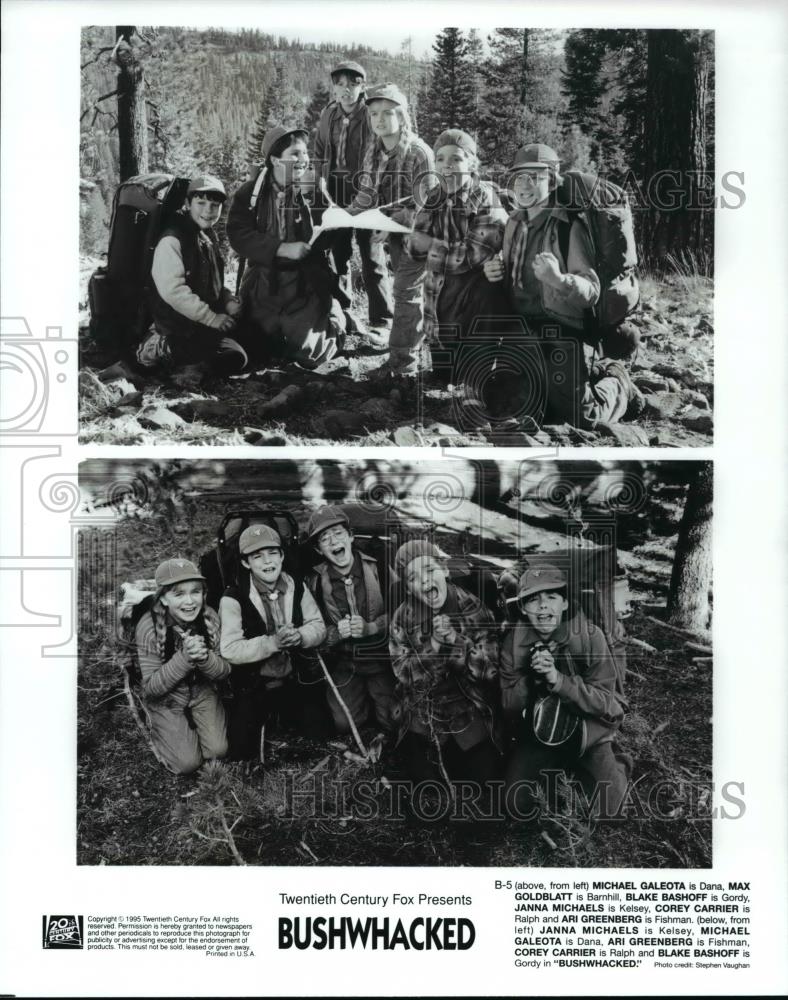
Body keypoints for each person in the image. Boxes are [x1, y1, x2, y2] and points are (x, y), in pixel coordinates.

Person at [484, 143, 642, 428]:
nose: (525, 184)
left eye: (536, 176)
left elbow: (591, 292)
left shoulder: (568, 227)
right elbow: (515, 278)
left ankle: (618, 380)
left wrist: (558, 279)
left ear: (554, 179)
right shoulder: (514, 223)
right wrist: (496, 270)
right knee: (507, 405)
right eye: (520, 177)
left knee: (582, 418)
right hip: (522, 331)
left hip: (561, 330)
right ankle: (571, 376)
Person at [499, 565, 629, 821]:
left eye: (551, 597)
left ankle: (618, 764)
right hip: (540, 735)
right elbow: (507, 703)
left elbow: (604, 701)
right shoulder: (514, 641)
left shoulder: (591, 636)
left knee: (610, 810)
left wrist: (558, 680)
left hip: (588, 735)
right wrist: (532, 679)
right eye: (533, 599)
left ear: (566, 603)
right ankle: (558, 771)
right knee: (516, 805)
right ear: (524, 608)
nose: (543, 606)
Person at [388, 541, 502, 814]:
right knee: (425, 790)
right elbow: (402, 672)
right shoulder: (402, 617)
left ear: (445, 571)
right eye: (414, 578)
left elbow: (490, 670)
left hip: (467, 708)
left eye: (429, 570)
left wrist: (455, 642)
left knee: (485, 779)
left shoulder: (472, 607)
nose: (425, 581)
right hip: (422, 711)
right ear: (407, 588)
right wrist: (434, 647)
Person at [226, 125, 347, 370]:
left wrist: (313, 200)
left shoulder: (314, 188)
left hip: (304, 286)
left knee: (308, 354)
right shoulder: (251, 193)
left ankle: (336, 317)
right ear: (274, 159)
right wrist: (281, 248)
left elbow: (328, 239)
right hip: (264, 283)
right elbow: (238, 234)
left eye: (305, 153)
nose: (303, 160)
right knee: (257, 346)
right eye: (295, 154)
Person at [407, 128, 509, 386]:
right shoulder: (434, 196)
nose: (446, 166)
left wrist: (431, 244)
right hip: (440, 301)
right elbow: (414, 247)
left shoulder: (484, 198)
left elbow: (475, 254)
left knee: (489, 289)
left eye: (456, 159)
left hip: (473, 301)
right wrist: (422, 244)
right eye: (440, 159)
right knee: (444, 377)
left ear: (472, 164)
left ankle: (482, 371)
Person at [219, 524, 327, 760]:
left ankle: (285, 715)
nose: (267, 561)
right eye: (257, 556)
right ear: (246, 563)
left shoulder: (296, 586)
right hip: (255, 682)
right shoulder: (233, 597)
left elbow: (318, 627)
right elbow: (229, 649)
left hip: (294, 676)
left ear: (282, 555)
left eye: (272, 553)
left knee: (320, 733)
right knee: (239, 750)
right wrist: (272, 643)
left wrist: (301, 636)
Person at [348, 83, 434, 376]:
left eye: (387, 113)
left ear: (402, 116)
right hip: (394, 231)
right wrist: (344, 216)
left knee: (406, 290)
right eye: (373, 114)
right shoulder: (373, 151)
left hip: (421, 233)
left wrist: (393, 223)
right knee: (406, 291)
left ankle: (403, 365)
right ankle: (410, 351)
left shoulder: (418, 153)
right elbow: (367, 195)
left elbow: (427, 207)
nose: (380, 120)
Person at [138, 175, 247, 390]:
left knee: (248, 346)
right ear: (187, 204)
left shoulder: (207, 237)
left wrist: (226, 301)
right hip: (173, 327)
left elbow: (211, 282)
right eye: (201, 203)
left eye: (215, 205)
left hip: (198, 325)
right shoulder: (172, 239)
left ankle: (195, 363)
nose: (208, 210)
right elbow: (173, 291)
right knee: (231, 356)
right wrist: (212, 318)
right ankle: (154, 348)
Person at [314, 60, 393, 345]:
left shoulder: (370, 115)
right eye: (340, 84)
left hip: (366, 190)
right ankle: (344, 312)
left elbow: (377, 155)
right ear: (334, 88)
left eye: (352, 84)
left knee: (371, 255)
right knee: (339, 254)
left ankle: (382, 320)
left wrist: (368, 194)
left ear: (362, 87)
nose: (345, 90)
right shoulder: (329, 115)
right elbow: (321, 149)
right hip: (335, 191)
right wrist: (321, 184)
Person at [133, 558, 230, 775]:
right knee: (187, 763)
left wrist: (204, 658)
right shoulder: (148, 626)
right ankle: (162, 725)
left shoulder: (210, 617)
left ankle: (195, 725)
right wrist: (185, 658)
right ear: (164, 599)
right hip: (167, 698)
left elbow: (224, 671)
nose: (189, 601)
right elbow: (151, 688)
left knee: (218, 750)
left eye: (195, 592)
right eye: (178, 594)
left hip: (202, 689)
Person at [305, 505, 395, 734]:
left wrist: (372, 627)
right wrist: (335, 633)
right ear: (318, 549)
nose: (334, 542)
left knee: (393, 721)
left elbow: (402, 613)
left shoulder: (379, 567)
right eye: (325, 539)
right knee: (345, 724)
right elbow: (311, 627)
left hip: (381, 659)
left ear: (351, 536)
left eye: (338, 533)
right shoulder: (314, 582)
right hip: (345, 664)